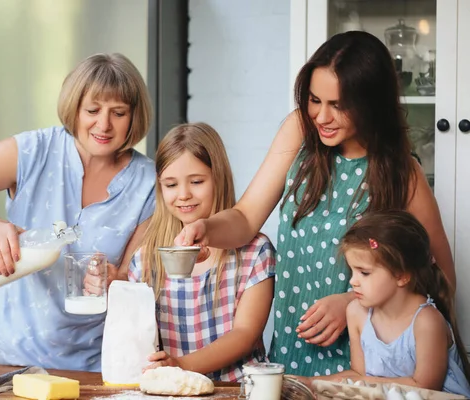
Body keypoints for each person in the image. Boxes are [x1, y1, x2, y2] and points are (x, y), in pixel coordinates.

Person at [174, 31, 455, 376]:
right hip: (292, 356)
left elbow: (438, 279)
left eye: (337, 105)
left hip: (367, 370)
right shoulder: (299, 131)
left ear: (371, 103)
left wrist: (353, 304)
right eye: (314, 100)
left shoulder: (402, 172)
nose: (321, 116)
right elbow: (246, 218)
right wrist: (206, 228)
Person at [0, 53, 156, 370]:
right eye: (92, 110)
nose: (103, 124)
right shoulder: (31, 152)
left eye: (118, 113)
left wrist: (114, 281)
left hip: (100, 365)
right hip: (9, 362)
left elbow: (137, 284)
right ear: (75, 109)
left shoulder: (148, 184)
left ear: (134, 117)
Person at [128, 122, 276, 382]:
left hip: (239, 389)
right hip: (173, 389)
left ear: (218, 177)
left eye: (196, 181)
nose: (184, 195)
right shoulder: (145, 259)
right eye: (171, 185)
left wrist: (182, 364)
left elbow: (245, 334)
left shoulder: (254, 251)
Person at [307, 211, 470, 397]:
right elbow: (358, 375)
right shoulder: (356, 313)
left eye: (364, 273)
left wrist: (364, 382)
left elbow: (425, 387)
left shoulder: (426, 322)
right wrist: (311, 383)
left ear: (401, 275)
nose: (353, 281)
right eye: (352, 271)